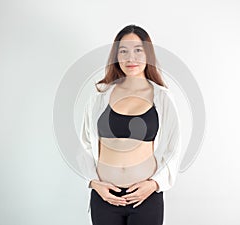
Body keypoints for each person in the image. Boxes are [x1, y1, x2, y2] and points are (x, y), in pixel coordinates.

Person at [79, 24, 182, 225]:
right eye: (123, 51)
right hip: (105, 197)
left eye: (138, 50)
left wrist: (154, 184)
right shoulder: (99, 95)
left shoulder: (162, 98)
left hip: (145, 197)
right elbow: (84, 143)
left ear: (148, 54)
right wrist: (94, 183)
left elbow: (173, 147)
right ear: (116, 56)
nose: (130, 58)